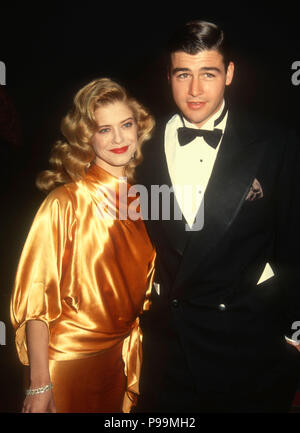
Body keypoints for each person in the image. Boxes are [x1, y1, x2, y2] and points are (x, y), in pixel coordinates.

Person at [135, 20, 300, 412]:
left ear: (229, 74)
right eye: (183, 74)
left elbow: (295, 243)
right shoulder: (138, 146)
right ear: (168, 77)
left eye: (208, 74)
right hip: (166, 354)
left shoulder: (275, 143)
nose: (195, 90)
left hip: (247, 350)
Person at [10, 78, 156, 413]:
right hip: (70, 363)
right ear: (85, 137)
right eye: (104, 129)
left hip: (122, 355)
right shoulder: (65, 202)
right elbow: (36, 300)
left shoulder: (144, 199)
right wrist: (39, 383)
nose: (118, 138)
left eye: (126, 124)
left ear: (139, 127)